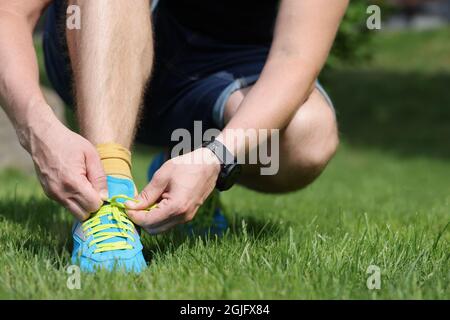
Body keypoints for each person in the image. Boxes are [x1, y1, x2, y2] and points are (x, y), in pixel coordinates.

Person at [0, 0, 346, 272]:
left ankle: (185, 163)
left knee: (308, 134)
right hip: (101, 39)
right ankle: (108, 205)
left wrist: (217, 158)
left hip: (226, 70)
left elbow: (295, 57)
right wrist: (36, 126)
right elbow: (11, 10)